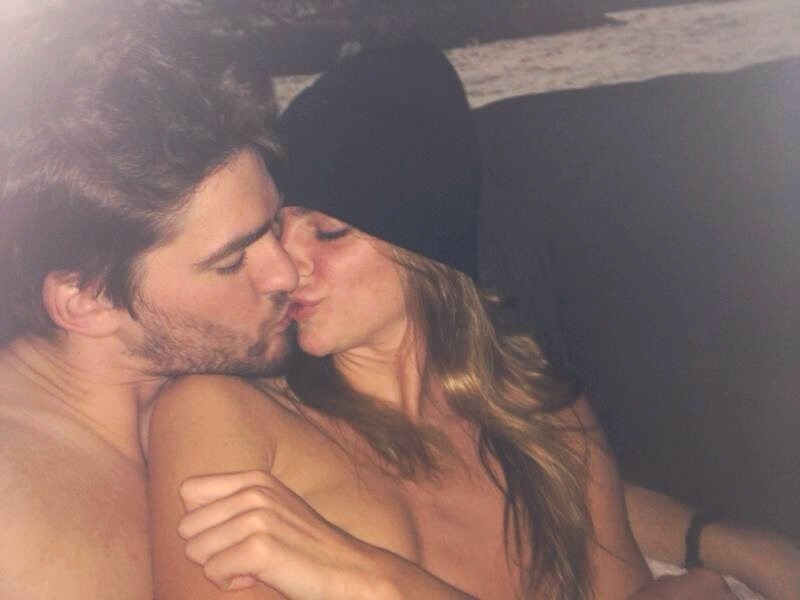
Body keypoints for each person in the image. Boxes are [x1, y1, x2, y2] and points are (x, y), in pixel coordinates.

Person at [147, 44, 744, 599]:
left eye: (328, 232)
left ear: (428, 252)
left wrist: (379, 581)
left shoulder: (549, 422)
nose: (284, 266)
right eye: (277, 227)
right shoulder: (220, 414)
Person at [0, 2, 297, 597]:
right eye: (231, 261)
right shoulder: (14, 508)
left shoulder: (235, 403)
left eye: (276, 224)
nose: (286, 272)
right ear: (87, 301)